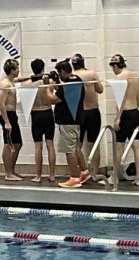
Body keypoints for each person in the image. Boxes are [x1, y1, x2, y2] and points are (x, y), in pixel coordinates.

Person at [109, 54, 139, 187]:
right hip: (135, 112)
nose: (113, 70)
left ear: (116, 66)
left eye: (113, 67)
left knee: (119, 146)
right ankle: (138, 177)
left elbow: (121, 100)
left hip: (125, 113)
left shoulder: (120, 78)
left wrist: (118, 118)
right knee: (136, 145)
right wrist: (133, 111)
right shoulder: (135, 76)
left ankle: (115, 177)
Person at [54, 60, 88, 188]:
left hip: (68, 121)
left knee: (70, 150)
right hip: (76, 119)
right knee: (76, 147)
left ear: (62, 71)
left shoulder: (67, 84)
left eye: (59, 73)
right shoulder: (77, 79)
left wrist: (49, 87)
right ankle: (84, 172)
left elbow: (53, 99)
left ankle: (74, 178)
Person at [23, 59, 58, 184]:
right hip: (48, 113)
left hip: (36, 115)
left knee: (38, 147)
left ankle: (38, 176)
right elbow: (59, 86)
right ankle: (52, 175)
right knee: (50, 145)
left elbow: (20, 84)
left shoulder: (28, 84)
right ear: (43, 68)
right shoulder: (50, 82)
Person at [71, 53, 105, 181]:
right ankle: (95, 173)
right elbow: (100, 90)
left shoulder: (71, 77)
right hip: (93, 111)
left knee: (76, 145)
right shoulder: (91, 74)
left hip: (79, 113)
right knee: (94, 143)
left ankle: (79, 172)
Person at [0, 59, 24, 181]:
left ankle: (11, 170)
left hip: (12, 115)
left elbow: (21, 79)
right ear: (12, 70)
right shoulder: (5, 84)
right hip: (7, 116)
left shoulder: (11, 81)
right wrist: (6, 121)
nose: (18, 70)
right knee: (8, 145)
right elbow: (1, 104)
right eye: (17, 68)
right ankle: (8, 173)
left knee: (18, 144)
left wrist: (36, 77)